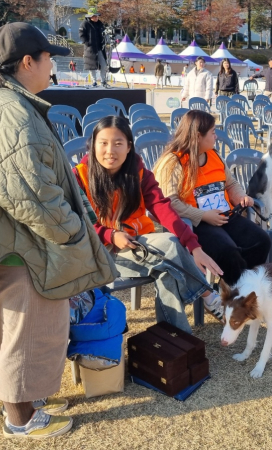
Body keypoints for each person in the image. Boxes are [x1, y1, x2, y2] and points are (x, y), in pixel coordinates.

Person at [0, 22, 118, 438]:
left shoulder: (4, 104)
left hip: (10, 239)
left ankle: (20, 402)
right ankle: (20, 419)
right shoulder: (10, 112)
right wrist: (73, 232)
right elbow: (27, 192)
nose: (52, 66)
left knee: (22, 327)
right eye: (48, 58)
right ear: (27, 62)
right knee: (31, 330)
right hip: (20, 244)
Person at [73, 116, 226, 329]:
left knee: (167, 273)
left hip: (135, 244)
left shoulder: (139, 173)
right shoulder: (78, 176)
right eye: (103, 143)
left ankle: (174, 340)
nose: (110, 150)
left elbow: (163, 209)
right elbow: (77, 221)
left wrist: (194, 246)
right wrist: (109, 234)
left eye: (118, 143)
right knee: (170, 245)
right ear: (92, 145)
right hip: (98, 251)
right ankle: (208, 295)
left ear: (128, 147)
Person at [154, 110, 271, 286]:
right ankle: (237, 290)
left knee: (262, 241)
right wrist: (203, 215)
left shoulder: (214, 155)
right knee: (228, 251)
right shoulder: (173, 162)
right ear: (197, 136)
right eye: (213, 132)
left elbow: (230, 184)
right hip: (196, 224)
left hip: (225, 216)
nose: (216, 136)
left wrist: (240, 196)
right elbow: (170, 203)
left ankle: (241, 285)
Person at [79, 7, 107, 87]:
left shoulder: (100, 24)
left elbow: (103, 34)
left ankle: (103, 80)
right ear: (90, 16)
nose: (96, 17)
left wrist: (104, 42)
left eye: (97, 16)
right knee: (91, 66)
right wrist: (87, 43)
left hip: (100, 47)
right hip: (90, 48)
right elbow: (81, 34)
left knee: (104, 65)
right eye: (94, 16)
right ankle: (94, 81)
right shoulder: (84, 23)